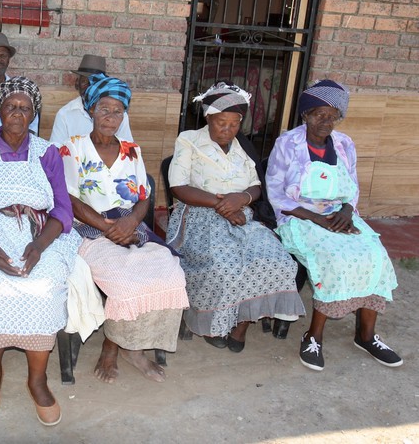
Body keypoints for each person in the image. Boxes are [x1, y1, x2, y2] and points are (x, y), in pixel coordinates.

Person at [0, 77, 80, 426]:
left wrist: (40, 246)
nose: (17, 113)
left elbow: (62, 209)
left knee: (43, 290)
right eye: (11, 106)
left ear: (33, 115)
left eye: (25, 108)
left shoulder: (47, 152)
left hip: (39, 234)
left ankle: (37, 378)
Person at [61, 73, 188, 384]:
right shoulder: (71, 149)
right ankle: (111, 347)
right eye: (104, 109)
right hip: (87, 227)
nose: (111, 117)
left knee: (171, 272)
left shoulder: (131, 150)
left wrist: (131, 222)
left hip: (128, 224)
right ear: (91, 110)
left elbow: (143, 195)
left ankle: (136, 347)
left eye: (118, 111)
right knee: (124, 282)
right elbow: (68, 198)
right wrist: (106, 227)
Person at [266, 79, 401, 371]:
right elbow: (276, 194)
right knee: (335, 258)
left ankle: (366, 335)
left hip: (339, 214)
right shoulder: (287, 143)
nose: (326, 122)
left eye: (333, 116)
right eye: (319, 115)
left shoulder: (344, 144)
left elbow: (352, 187)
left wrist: (348, 211)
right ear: (305, 115)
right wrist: (317, 219)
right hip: (301, 217)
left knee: (375, 255)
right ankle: (313, 336)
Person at [166, 82, 305, 352]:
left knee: (275, 260)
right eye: (220, 123)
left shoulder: (242, 146)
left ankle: (241, 324)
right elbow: (178, 187)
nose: (227, 130)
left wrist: (241, 199)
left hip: (242, 215)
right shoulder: (189, 140)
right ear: (208, 118)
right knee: (225, 267)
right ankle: (216, 324)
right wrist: (222, 205)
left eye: (233, 124)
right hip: (199, 216)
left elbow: (255, 185)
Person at [50, 54, 133, 147]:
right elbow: (55, 150)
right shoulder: (65, 113)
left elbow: (127, 147)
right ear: (77, 84)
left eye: (95, 83)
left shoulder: (119, 114)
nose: (90, 87)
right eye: (85, 82)